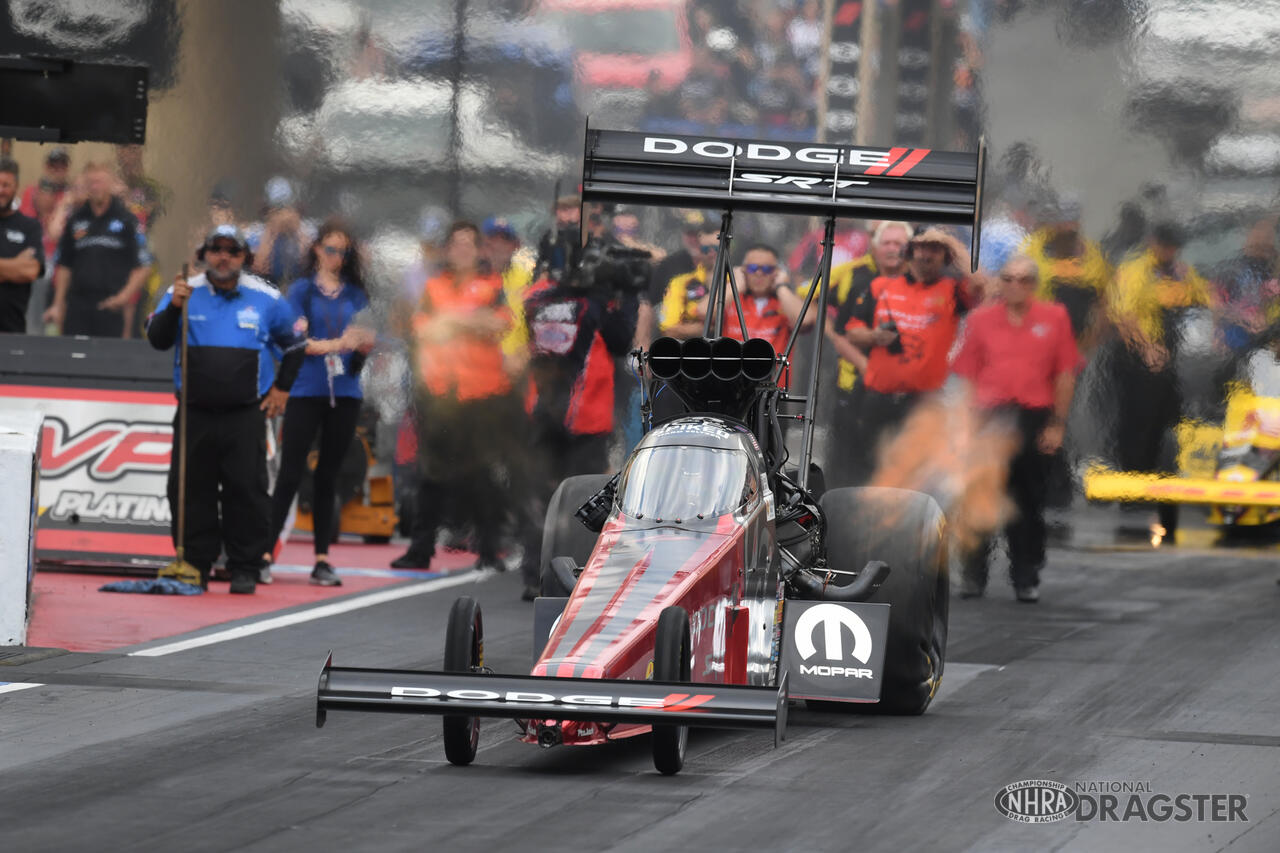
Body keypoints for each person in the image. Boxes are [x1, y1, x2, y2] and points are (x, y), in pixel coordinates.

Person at [146, 225, 305, 593]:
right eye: (215, 249)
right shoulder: (183, 290)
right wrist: (173, 306)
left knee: (246, 490)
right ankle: (195, 564)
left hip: (245, 413)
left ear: (244, 258)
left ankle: (245, 566)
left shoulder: (265, 297)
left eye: (232, 251)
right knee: (188, 489)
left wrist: (282, 389)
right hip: (194, 412)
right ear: (204, 254)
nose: (223, 256)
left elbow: (296, 345)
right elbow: (157, 339)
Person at [516, 236, 642, 599]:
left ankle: (533, 574)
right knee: (578, 498)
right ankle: (567, 574)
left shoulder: (538, 297)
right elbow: (621, 342)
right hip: (582, 414)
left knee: (543, 494)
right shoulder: (595, 303)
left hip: (548, 411)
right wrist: (626, 295)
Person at [952, 255, 1080, 602]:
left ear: (1034, 285)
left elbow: (1066, 373)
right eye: (1008, 279)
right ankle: (973, 574)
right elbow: (966, 376)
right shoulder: (981, 320)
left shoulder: (1053, 318)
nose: (1014, 286)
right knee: (980, 497)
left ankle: (1025, 575)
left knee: (1027, 502)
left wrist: (1057, 424)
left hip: (1033, 417)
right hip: (989, 418)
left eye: (1023, 280)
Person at [393, 222, 516, 571]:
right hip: (439, 391)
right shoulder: (434, 286)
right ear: (447, 249)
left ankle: (490, 550)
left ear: (479, 250)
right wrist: (469, 319)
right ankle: (420, 548)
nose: (462, 250)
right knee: (429, 473)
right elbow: (422, 328)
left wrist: (452, 320)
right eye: (456, 243)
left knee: (482, 473)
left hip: (481, 393)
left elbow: (499, 324)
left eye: (468, 244)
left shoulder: (493, 285)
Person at [266, 220, 374, 587]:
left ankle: (322, 558)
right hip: (305, 389)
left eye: (343, 252)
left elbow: (365, 338)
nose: (336, 258)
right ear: (316, 250)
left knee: (329, 474)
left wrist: (362, 345)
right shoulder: (301, 291)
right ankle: (264, 552)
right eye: (330, 249)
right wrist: (337, 344)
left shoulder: (355, 295)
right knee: (291, 471)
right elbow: (297, 341)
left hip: (344, 391)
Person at [1107, 221, 1212, 539]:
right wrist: (1146, 348)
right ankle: (1133, 495)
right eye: (1165, 245)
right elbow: (1123, 315)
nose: (1170, 251)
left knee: (1168, 428)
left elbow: (1205, 302)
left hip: (1172, 362)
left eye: (1174, 246)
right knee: (1138, 426)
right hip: (1138, 360)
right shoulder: (1134, 270)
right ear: (1153, 242)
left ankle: (1162, 488)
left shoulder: (1181, 271)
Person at [845, 228, 975, 465]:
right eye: (921, 247)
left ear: (945, 255)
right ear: (910, 251)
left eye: (934, 249)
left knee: (917, 470)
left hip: (924, 402)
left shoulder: (953, 290)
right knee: (872, 469)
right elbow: (852, 331)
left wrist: (951, 244)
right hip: (878, 399)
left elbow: (983, 286)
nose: (926, 255)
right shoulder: (880, 286)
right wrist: (875, 336)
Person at [827, 221, 912, 486]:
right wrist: (867, 365)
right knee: (851, 464)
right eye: (886, 243)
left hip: (908, 390)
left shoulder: (922, 284)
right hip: (858, 386)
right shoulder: (859, 281)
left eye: (899, 244)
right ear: (874, 247)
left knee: (901, 464)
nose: (892, 249)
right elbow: (841, 334)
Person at [44, 162, 150, 337]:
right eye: (91, 182)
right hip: (77, 306)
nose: (95, 187)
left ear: (109, 184)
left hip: (110, 306)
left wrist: (123, 297)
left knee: (108, 361)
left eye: (100, 181)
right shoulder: (76, 220)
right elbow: (64, 265)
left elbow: (143, 265)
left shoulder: (127, 220)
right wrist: (58, 303)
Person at [1020, 195, 1111, 351]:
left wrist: (1093, 336)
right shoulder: (1032, 250)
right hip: (1040, 340)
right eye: (1063, 221)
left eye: (1073, 220)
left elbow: (1105, 299)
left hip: (1080, 344)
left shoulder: (1094, 255)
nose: (1068, 226)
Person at [711, 243, 814, 353]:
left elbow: (806, 321)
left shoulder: (786, 301)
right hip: (732, 370)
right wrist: (735, 285)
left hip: (775, 370)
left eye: (767, 269)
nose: (759, 273)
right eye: (752, 268)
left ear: (777, 272)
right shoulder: (730, 299)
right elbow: (703, 313)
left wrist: (782, 287)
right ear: (742, 270)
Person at [0, 158, 46, 334]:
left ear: (16, 186)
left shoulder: (29, 227)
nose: (0, 190)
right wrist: (14, 266)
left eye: (6, 185)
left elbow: (31, 271)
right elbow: (21, 270)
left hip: (13, 329)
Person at [659, 223, 722, 339]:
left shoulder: (740, 281)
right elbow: (668, 330)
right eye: (706, 249)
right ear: (699, 250)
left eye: (718, 248)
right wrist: (712, 328)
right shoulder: (680, 283)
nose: (712, 253)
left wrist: (691, 326)